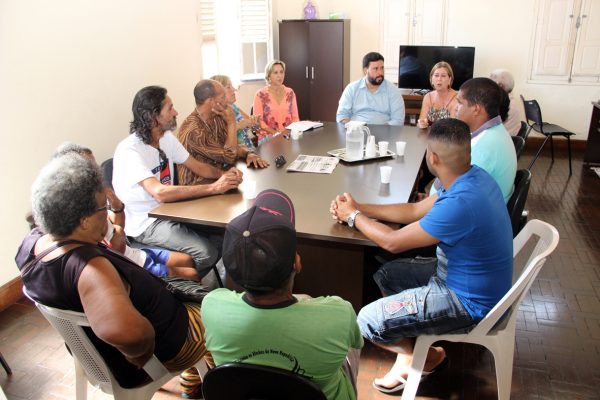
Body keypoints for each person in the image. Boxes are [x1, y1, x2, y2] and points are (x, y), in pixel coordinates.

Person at [329, 118, 513, 393]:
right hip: (467, 278)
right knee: (387, 274)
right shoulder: (472, 177)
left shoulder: (460, 204)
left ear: (433, 157)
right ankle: (412, 352)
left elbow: (392, 242)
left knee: (366, 321)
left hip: (468, 301)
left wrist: (353, 217)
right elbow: (414, 211)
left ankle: (427, 357)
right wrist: (360, 208)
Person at [15, 154, 212, 396]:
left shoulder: (31, 245)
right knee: (220, 311)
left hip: (97, 354)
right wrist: (141, 353)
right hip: (171, 345)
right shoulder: (91, 270)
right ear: (84, 221)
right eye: (103, 207)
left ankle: (195, 379)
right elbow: (128, 336)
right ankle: (206, 380)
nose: (106, 213)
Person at [202, 189, 363, 400]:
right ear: (297, 263)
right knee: (348, 352)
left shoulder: (212, 305)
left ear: (231, 269)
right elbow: (356, 343)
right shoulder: (339, 314)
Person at [112, 85, 243, 281]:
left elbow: (198, 166)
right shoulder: (129, 151)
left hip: (172, 210)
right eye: (170, 108)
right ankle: (171, 286)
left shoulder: (165, 138)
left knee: (227, 236)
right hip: (145, 223)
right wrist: (215, 187)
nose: (176, 112)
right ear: (153, 116)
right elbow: (160, 192)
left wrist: (225, 175)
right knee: (206, 253)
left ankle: (194, 278)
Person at [53, 142, 199, 280]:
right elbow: (116, 250)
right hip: (127, 264)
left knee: (187, 260)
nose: (96, 171)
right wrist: (119, 231)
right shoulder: (83, 214)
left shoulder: (96, 195)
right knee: (191, 274)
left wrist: (117, 206)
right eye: (90, 167)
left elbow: (117, 226)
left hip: (134, 253)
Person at [427, 77, 517, 203]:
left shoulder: (484, 147)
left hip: (466, 217)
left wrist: (422, 207)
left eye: (459, 102)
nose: (456, 108)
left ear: (476, 109)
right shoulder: (494, 131)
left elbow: (455, 198)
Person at [177, 79, 268, 187]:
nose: (226, 101)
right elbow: (229, 157)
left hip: (218, 180)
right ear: (210, 101)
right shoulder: (194, 130)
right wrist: (231, 123)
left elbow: (232, 147)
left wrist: (248, 154)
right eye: (223, 97)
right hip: (197, 188)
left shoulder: (216, 117)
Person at [336, 52, 405, 126]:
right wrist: (353, 129)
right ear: (366, 71)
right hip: (357, 132)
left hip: (384, 133)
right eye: (376, 69)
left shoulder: (393, 90)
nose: (380, 72)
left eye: (382, 68)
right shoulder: (352, 89)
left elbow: (398, 120)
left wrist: (382, 130)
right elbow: (342, 116)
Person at [252, 60, 299, 142]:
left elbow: (295, 118)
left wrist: (290, 132)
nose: (279, 76)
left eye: (281, 72)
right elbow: (259, 121)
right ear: (268, 75)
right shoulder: (260, 94)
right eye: (275, 73)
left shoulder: (290, 93)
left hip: (288, 136)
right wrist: (276, 133)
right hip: (268, 137)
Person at [210, 75, 260, 152]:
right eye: (229, 87)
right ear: (219, 93)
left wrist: (255, 123)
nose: (234, 89)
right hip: (237, 156)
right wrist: (240, 125)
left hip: (250, 150)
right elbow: (220, 138)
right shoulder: (216, 113)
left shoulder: (234, 107)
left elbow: (253, 127)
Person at [417, 61, 458, 128]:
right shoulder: (428, 97)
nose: (439, 79)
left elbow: (453, 127)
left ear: (450, 79)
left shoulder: (456, 98)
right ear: (431, 79)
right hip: (429, 136)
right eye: (436, 75)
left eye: (443, 76)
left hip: (448, 136)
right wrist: (422, 124)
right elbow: (421, 121)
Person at [490, 69, 523, 136]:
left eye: (490, 83)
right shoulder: (508, 100)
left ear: (500, 86)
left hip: (501, 139)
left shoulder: (504, 105)